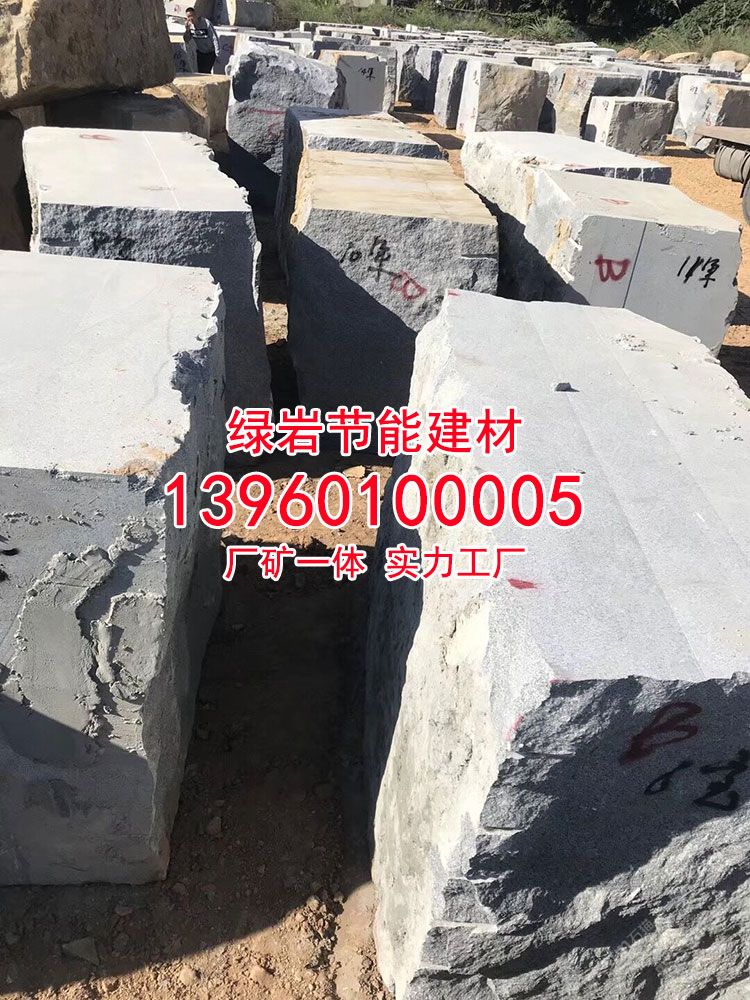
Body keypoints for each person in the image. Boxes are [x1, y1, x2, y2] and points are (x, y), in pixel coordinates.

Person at [184, 7, 220, 74]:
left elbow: (214, 37)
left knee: (206, 71)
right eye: (188, 17)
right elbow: (186, 39)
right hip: (200, 53)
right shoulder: (190, 27)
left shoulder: (206, 23)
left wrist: (217, 52)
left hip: (210, 52)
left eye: (192, 16)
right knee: (201, 73)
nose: (190, 18)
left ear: (196, 15)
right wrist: (187, 30)